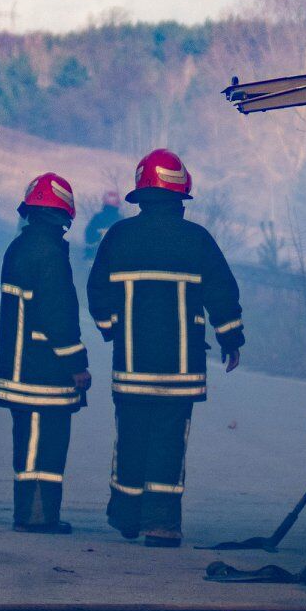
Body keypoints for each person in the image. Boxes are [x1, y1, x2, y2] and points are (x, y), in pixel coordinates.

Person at [87, 148, 244, 547]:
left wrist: (112, 330)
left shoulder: (119, 237)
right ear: (181, 195)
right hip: (181, 369)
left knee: (132, 437)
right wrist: (231, 338)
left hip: (132, 365)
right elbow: (222, 292)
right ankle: (162, 525)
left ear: (141, 194)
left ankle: (126, 515)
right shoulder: (198, 240)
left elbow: (97, 292)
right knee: (170, 442)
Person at [0, 173, 91, 533]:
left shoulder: (18, 247)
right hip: (42, 373)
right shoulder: (49, 254)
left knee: (29, 445)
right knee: (44, 448)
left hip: (18, 369)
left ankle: (34, 513)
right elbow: (58, 315)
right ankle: (37, 516)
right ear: (64, 215)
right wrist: (77, 363)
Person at [82, 190, 120, 263]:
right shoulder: (120, 219)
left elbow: (88, 236)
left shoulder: (97, 219)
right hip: (116, 262)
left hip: (95, 260)